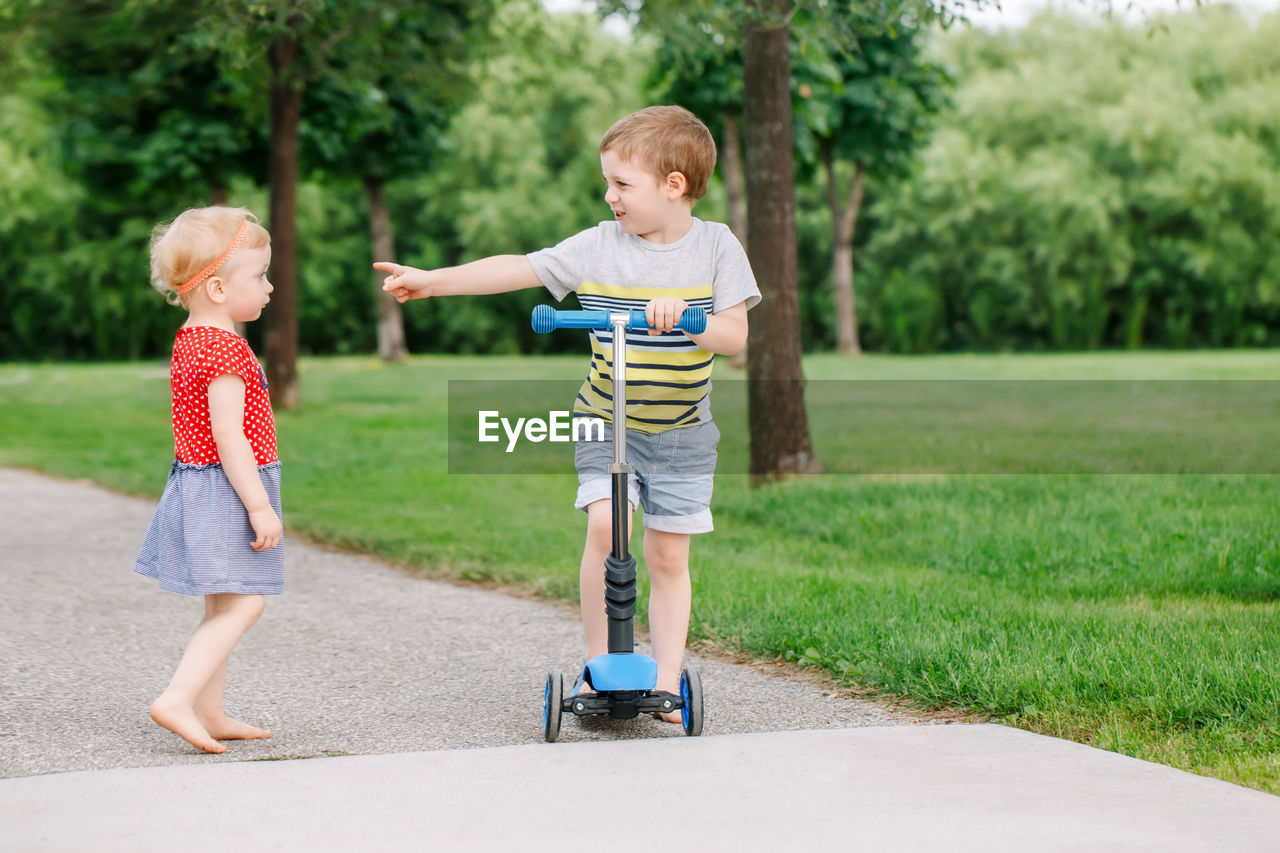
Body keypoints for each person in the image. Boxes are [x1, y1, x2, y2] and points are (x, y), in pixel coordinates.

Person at [376, 105, 760, 721]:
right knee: (607, 529)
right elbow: (518, 267)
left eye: (621, 184)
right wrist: (433, 281)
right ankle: (600, 668)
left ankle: (664, 678)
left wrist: (692, 320)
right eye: (607, 182)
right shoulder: (599, 247)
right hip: (607, 420)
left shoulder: (716, 247)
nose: (609, 196)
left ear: (674, 185)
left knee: (667, 555)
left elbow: (735, 336)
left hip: (684, 431)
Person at [135, 206, 283, 753]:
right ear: (218, 288)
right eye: (260, 275)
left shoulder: (192, 337)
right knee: (246, 603)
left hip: (200, 483)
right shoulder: (225, 349)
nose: (270, 286)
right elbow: (231, 439)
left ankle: (210, 710)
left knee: (222, 604)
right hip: (226, 488)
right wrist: (260, 506)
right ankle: (176, 698)